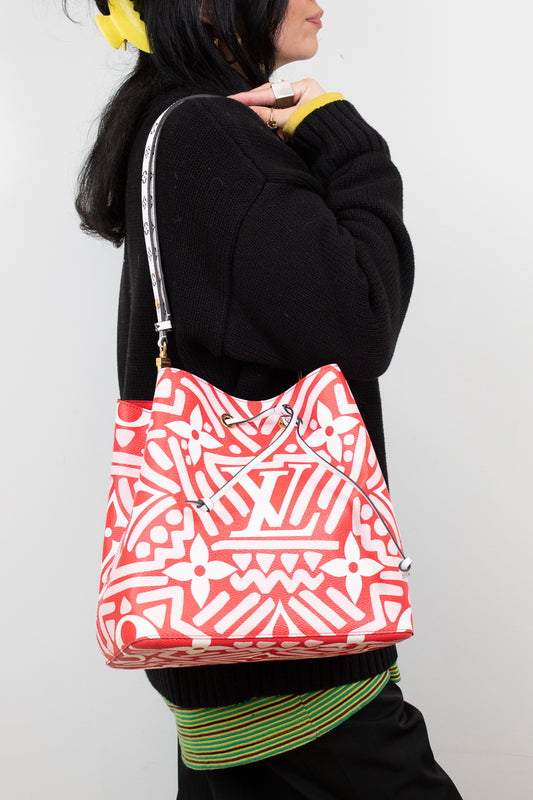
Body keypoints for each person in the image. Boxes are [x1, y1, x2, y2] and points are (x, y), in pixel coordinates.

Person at [73, 1, 463, 797]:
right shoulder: (205, 136)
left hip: (243, 675)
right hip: (299, 684)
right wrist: (343, 137)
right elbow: (358, 321)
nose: (318, 1)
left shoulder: (176, 130)